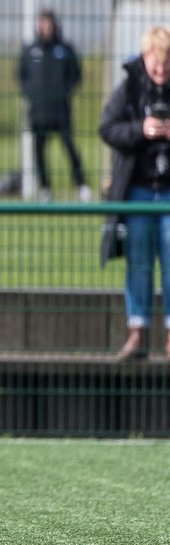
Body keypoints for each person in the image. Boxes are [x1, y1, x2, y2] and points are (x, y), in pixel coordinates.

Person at [99, 26, 170, 362]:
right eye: (156, 66)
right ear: (145, 59)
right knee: (138, 261)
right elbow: (108, 128)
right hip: (138, 190)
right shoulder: (129, 88)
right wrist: (141, 131)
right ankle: (137, 331)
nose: (160, 72)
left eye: (166, 67)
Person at [18, 9, 91, 202]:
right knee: (39, 152)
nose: (45, 29)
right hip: (38, 111)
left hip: (60, 111)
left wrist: (64, 92)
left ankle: (81, 184)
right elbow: (22, 75)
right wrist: (31, 93)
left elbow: (76, 74)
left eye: (48, 25)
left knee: (69, 147)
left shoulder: (65, 50)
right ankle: (45, 188)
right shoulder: (30, 50)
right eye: (42, 25)